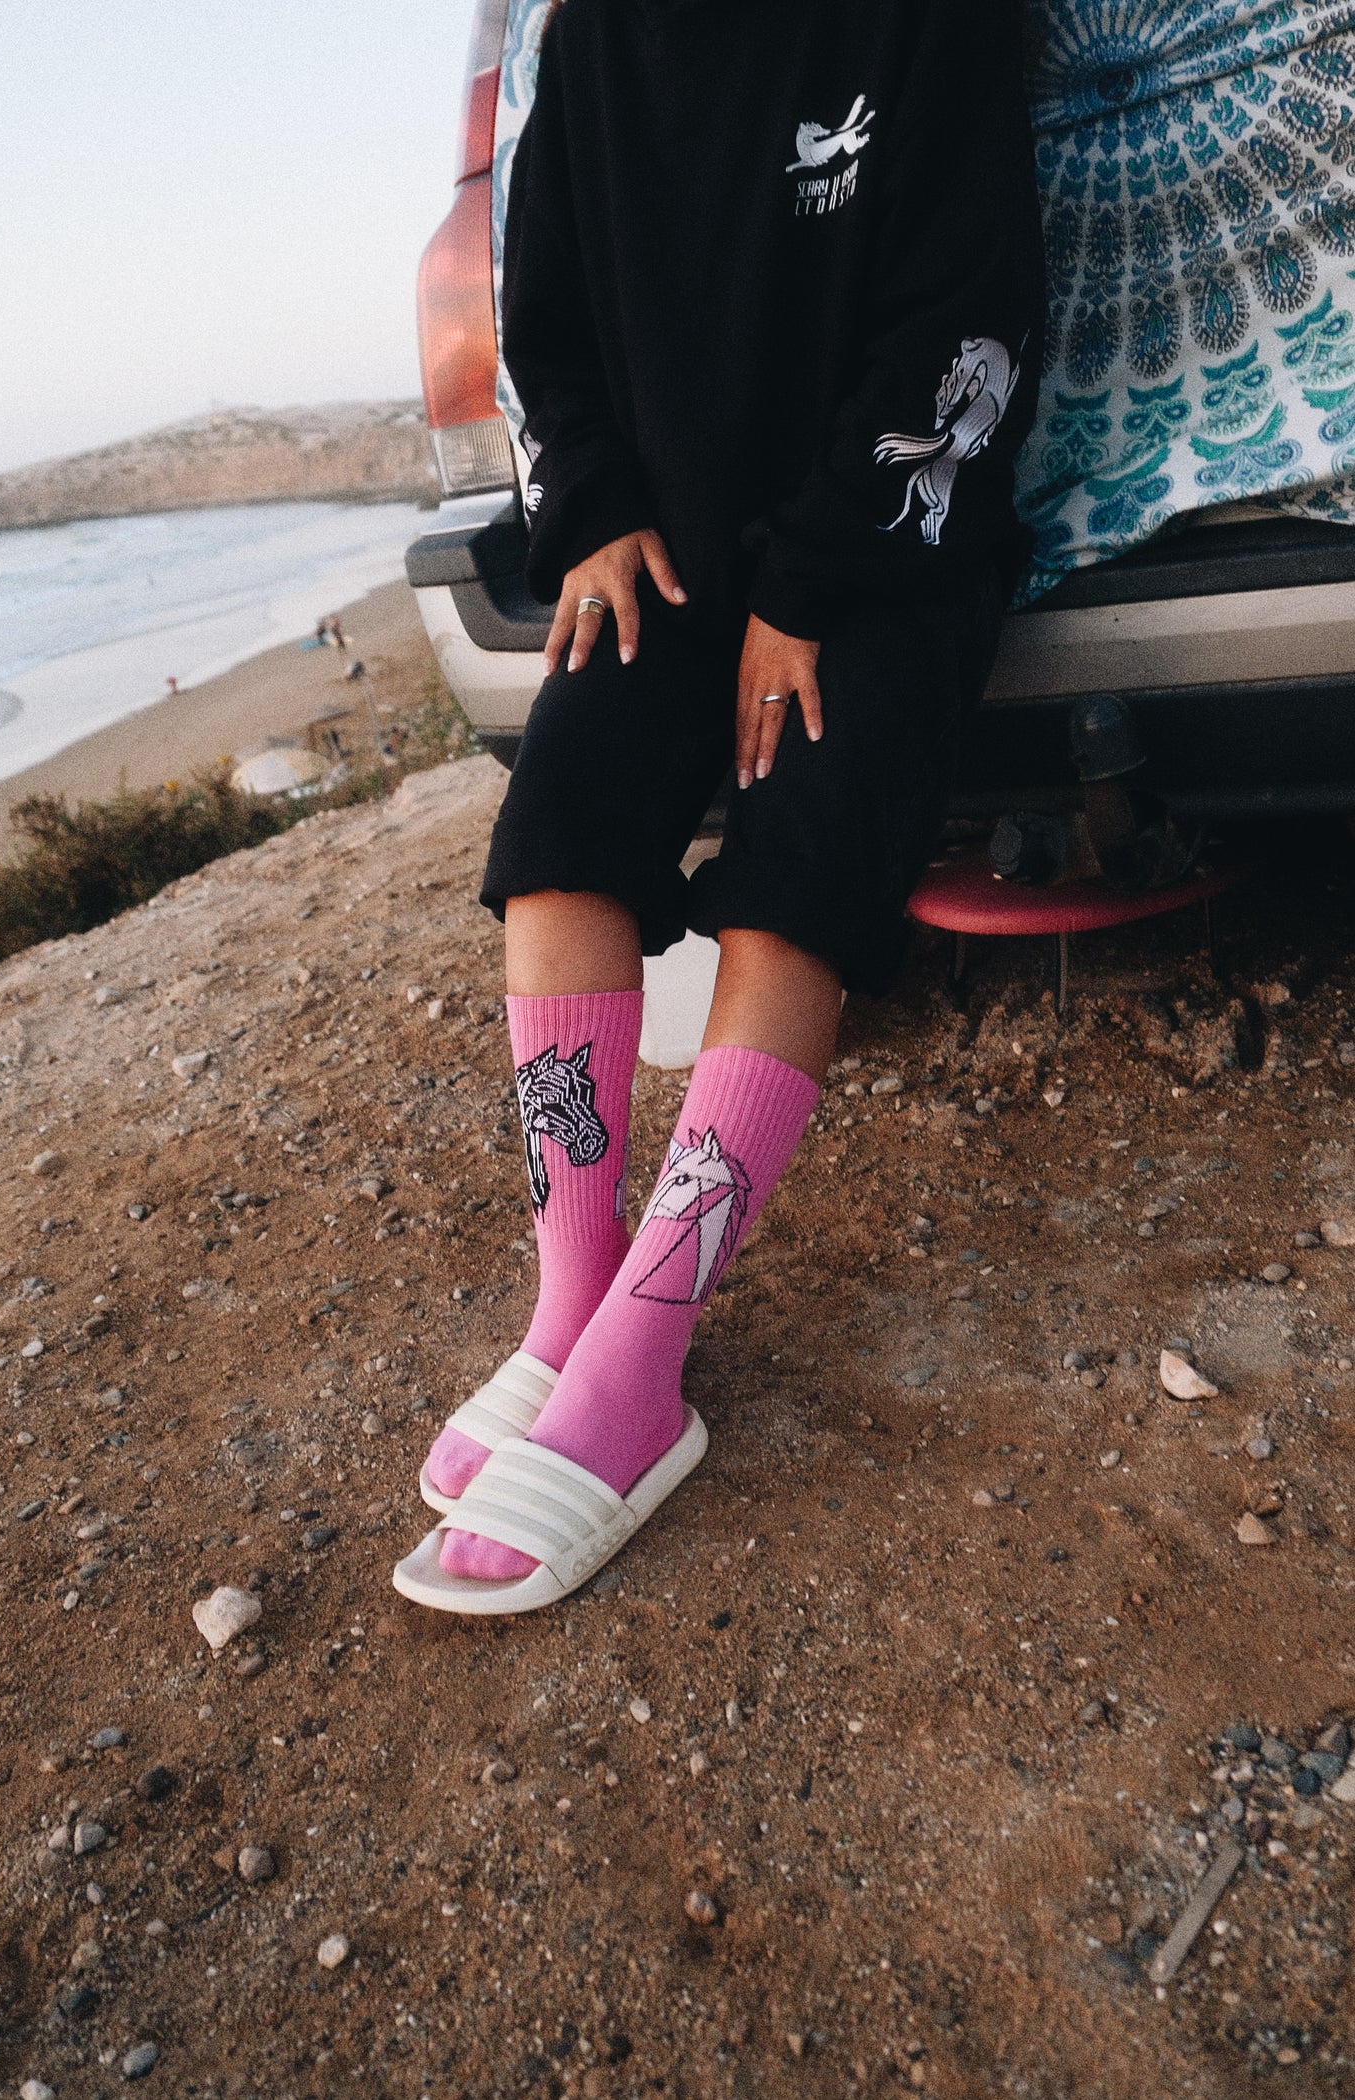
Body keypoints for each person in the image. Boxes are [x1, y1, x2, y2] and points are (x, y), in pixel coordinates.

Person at [393, 0, 1045, 1614]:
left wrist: (814, 583)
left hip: (883, 553)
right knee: (560, 829)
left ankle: (644, 1350)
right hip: (671, 550)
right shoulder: (597, 36)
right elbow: (542, 317)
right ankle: (571, 1301)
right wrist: (594, 512)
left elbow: (971, 317)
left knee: (799, 856)